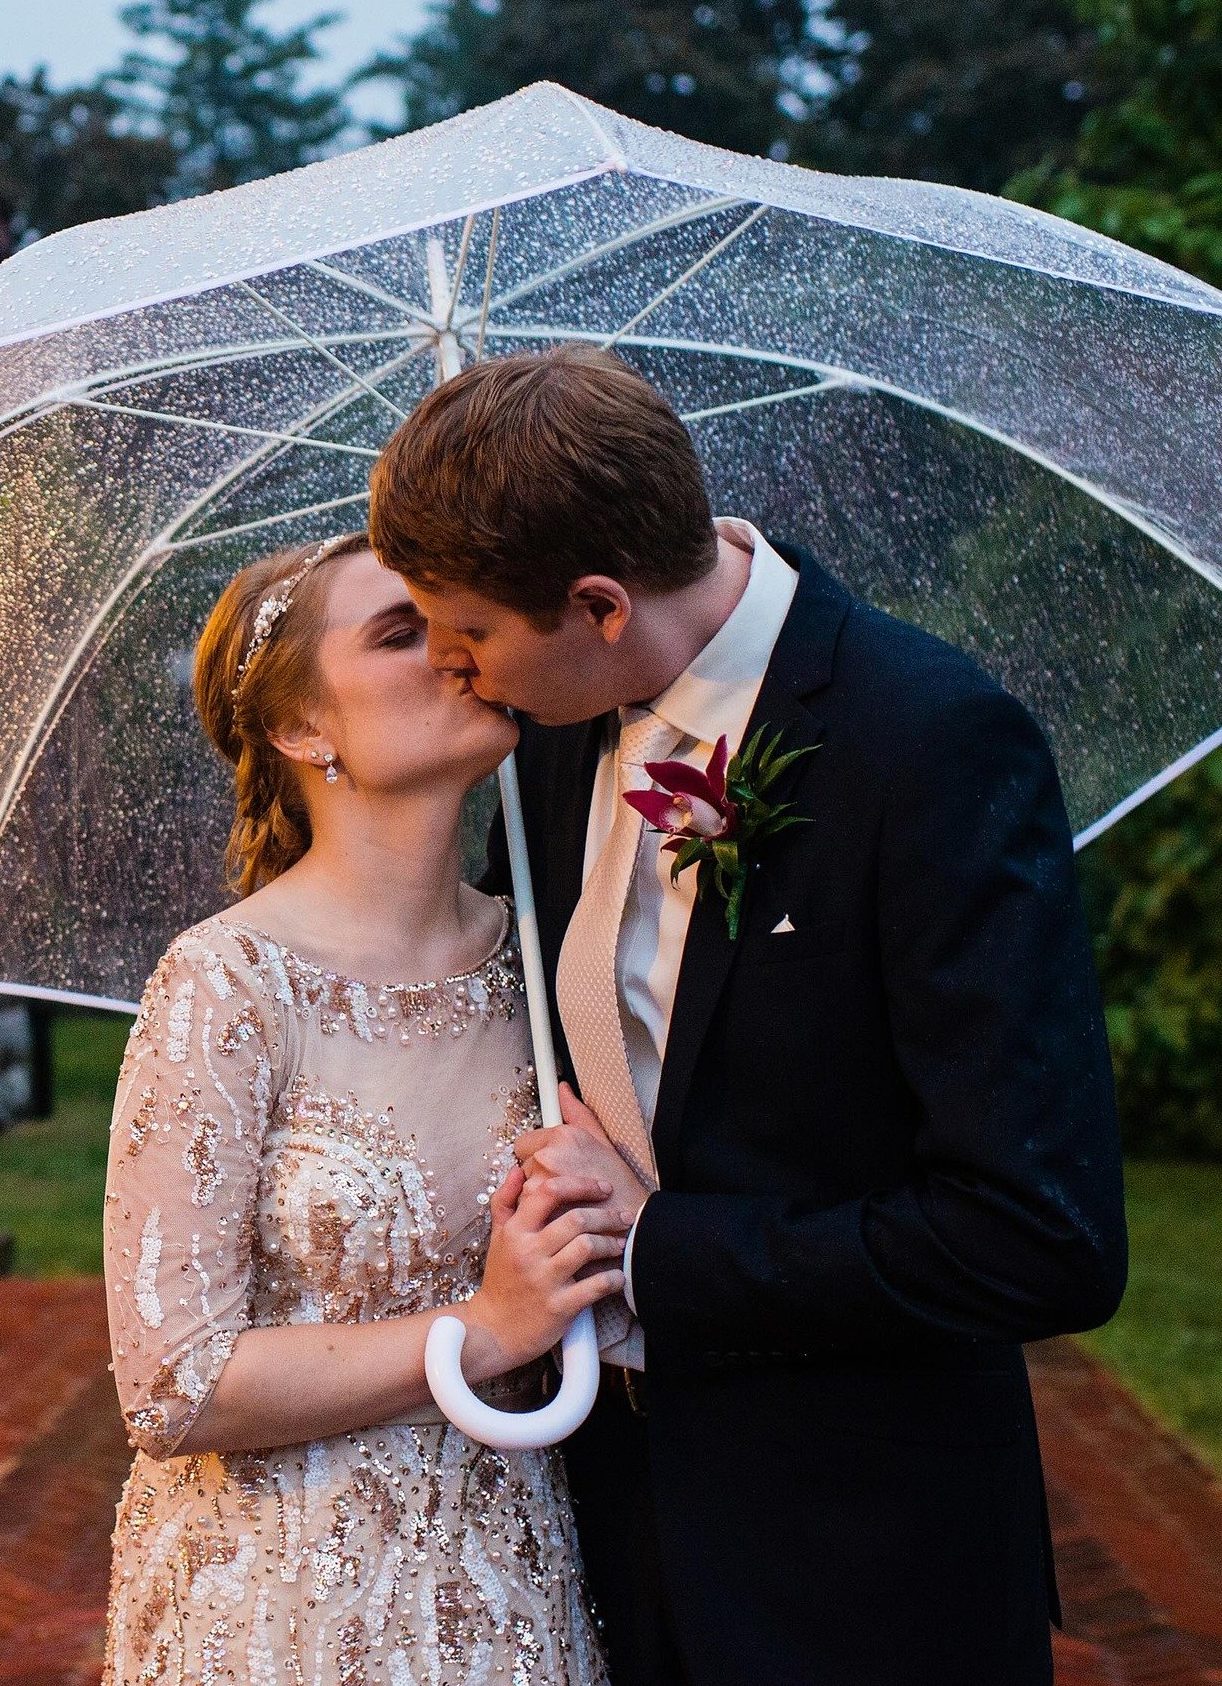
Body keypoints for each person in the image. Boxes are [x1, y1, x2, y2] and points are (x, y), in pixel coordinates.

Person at [367, 343, 1128, 1686]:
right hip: (607, 1515)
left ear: (600, 602)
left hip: (861, 1560)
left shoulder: (930, 744)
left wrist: (661, 1252)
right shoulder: (548, 729)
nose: (450, 668)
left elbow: (1040, 1238)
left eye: (469, 632)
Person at [102, 531, 615, 1686]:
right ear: (301, 729)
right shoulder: (224, 984)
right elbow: (172, 1381)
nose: (451, 652)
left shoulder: (543, 969)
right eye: (396, 632)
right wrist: (481, 1331)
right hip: (277, 1602)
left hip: (508, 1591)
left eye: (450, 619)